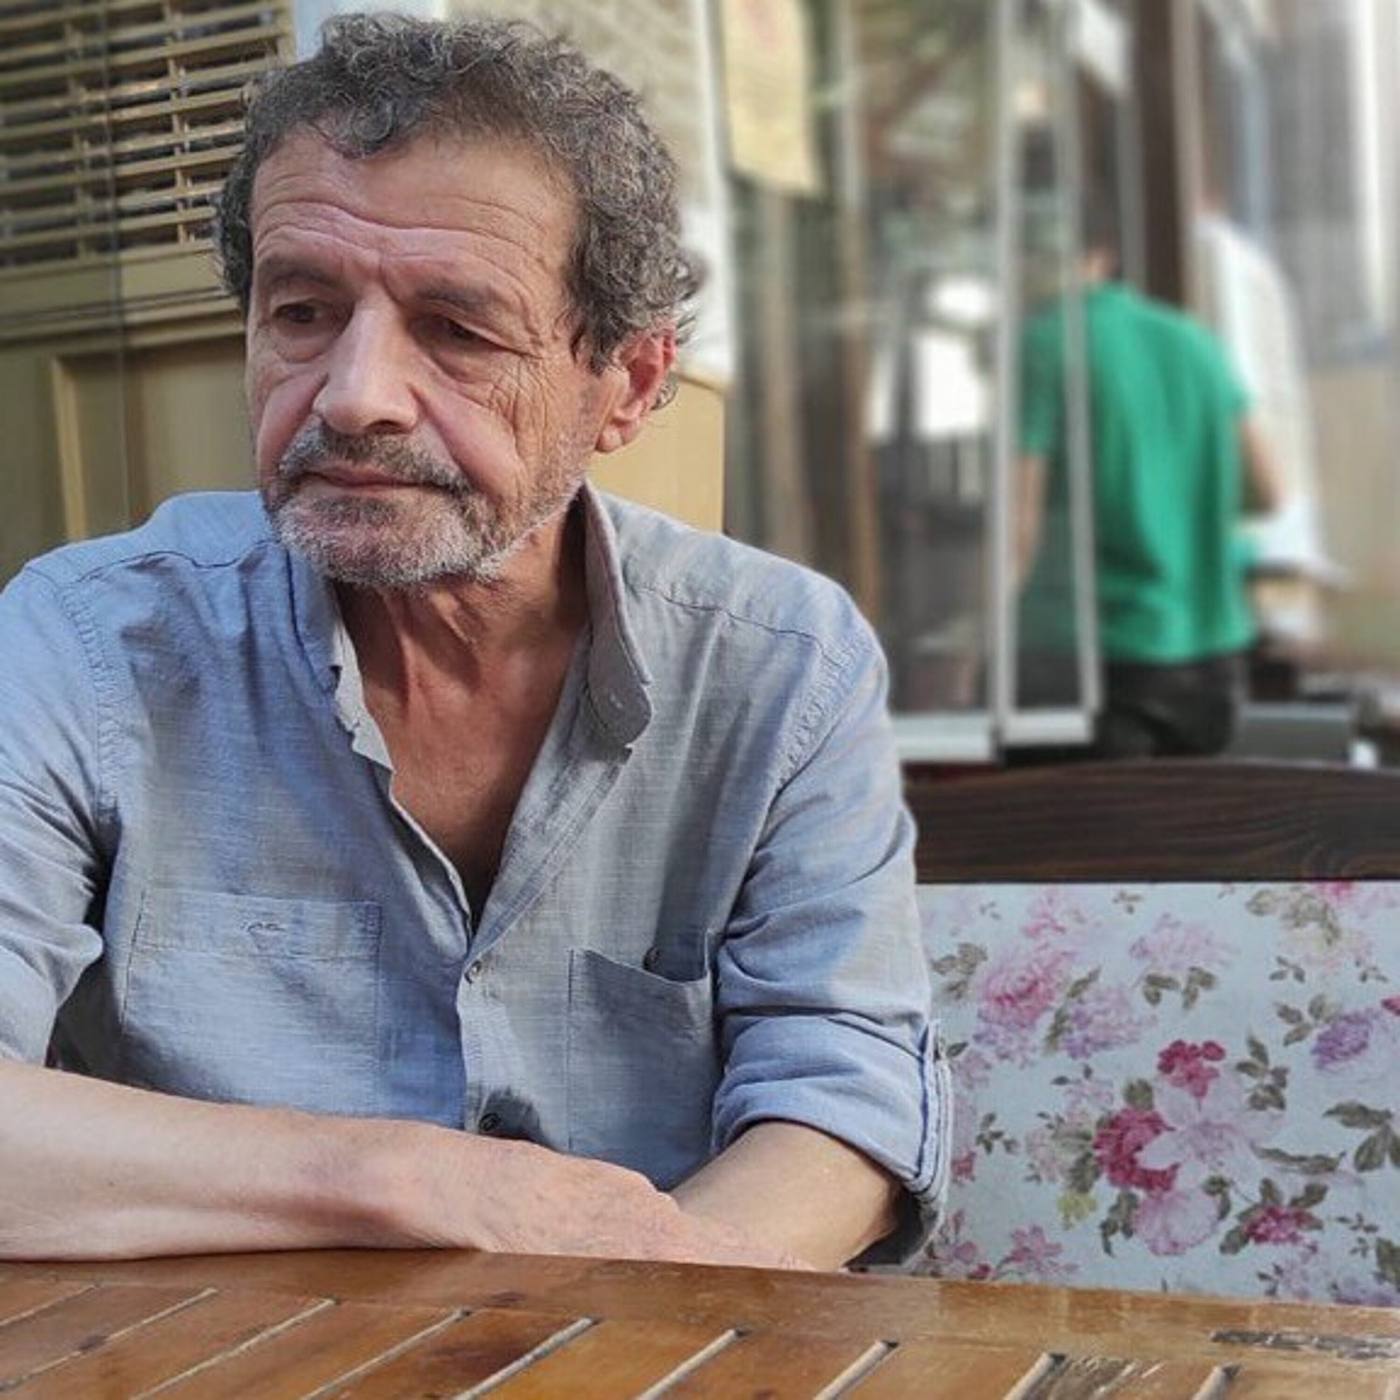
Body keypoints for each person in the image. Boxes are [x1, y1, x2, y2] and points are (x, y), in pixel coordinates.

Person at [0, 14, 943, 1271]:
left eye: (458, 329)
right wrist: (407, 1181)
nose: (353, 394)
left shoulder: (780, 663)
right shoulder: (84, 642)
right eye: (301, 310)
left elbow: (842, 1094)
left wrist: (626, 1320)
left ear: (626, 384)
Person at [1015, 200, 1284, 758]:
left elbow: (1019, 523)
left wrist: (976, 642)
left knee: (1074, 820)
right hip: (1211, 657)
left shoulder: (1043, 343)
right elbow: (1267, 491)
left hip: (1092, 658)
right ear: (1105, 254)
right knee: (1188, 817)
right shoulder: (1195, 341)